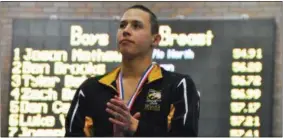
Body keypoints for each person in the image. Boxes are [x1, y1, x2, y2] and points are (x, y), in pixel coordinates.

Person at [65, 4, 200, 137]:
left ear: (155, 39)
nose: (126, 31)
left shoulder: (178, 86)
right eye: (122, 25)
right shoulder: (90, 89)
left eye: (136, 26)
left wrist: (136, 127)